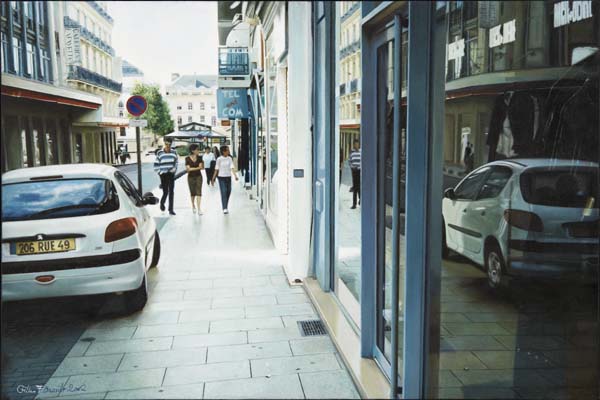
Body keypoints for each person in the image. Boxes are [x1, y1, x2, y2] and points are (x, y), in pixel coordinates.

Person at [154, 138, 178, 215]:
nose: (168, 146)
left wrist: (174, 169)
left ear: (171, 144)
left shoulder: (174, 152)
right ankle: (162, 203)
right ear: (164, 143)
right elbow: (156, 164)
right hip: (163, 174)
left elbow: (176, 162)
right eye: (166, 144)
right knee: (165, 192)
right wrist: (159, 172)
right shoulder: (160, 153)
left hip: (171, 173)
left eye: (169, 144)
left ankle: (171, 209)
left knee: (171, 191)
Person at [212, 145, 238, 214]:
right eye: (227, 150)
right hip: (221, 178)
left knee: (228, 191)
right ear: (223, 152)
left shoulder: (229, 158)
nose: (229, 151)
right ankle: (225, 208)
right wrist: (213, 178)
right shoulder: (219, 159)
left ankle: (225, 205)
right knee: (224, 192)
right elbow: (216, 169)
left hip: (228, 177)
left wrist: (235, 176)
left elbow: (232, 167)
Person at [185, 144, 204, 214]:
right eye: (197, 149)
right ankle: (193, 206)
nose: (198, 151)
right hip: (190, 177)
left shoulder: (200, 158)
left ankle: (199, 209)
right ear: (193, 150)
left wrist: (191, 168)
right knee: (192, 193)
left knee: (199, 192)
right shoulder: (187, 158)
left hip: (199, 176)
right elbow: (188, 169)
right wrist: (196, 168)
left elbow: (201, 167)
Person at [349, 139, 361, 209]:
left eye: (357, 144)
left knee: (359, 187)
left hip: (359, 171)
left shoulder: (361, 152)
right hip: (354, 171)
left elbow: (362, 161)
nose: (356, 145)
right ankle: (354, 204)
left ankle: (360, 200)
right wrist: (352, 167)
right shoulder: (352, 153)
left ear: (359, 145)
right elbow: (349, 161)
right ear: (354, 145)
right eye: (355, 144)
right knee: (355, 188)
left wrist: (359, 167)